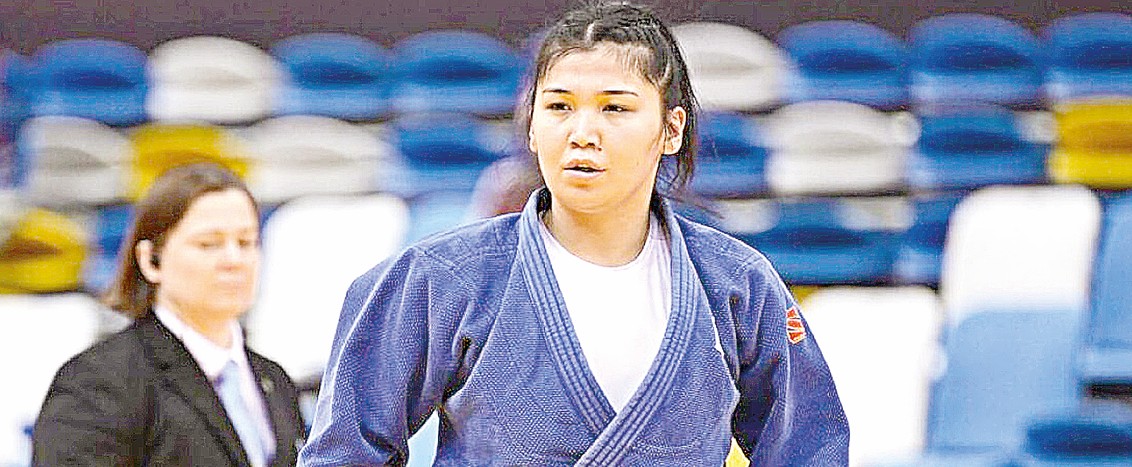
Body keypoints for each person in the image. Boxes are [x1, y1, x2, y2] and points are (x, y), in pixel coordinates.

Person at [300, 2, 849, 465]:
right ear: (532, 127)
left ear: (671, 129)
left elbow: (809, 450)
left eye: (615, 108)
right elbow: (344, 452)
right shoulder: (442, 279)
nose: (582, 132)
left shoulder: (738, 284)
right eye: (559, 106)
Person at [33, 163, 305, 466]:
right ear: (151, 260)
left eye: (246, 242)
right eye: (209, 244)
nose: (234, 260)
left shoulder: (276, 381)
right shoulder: (98, 381)